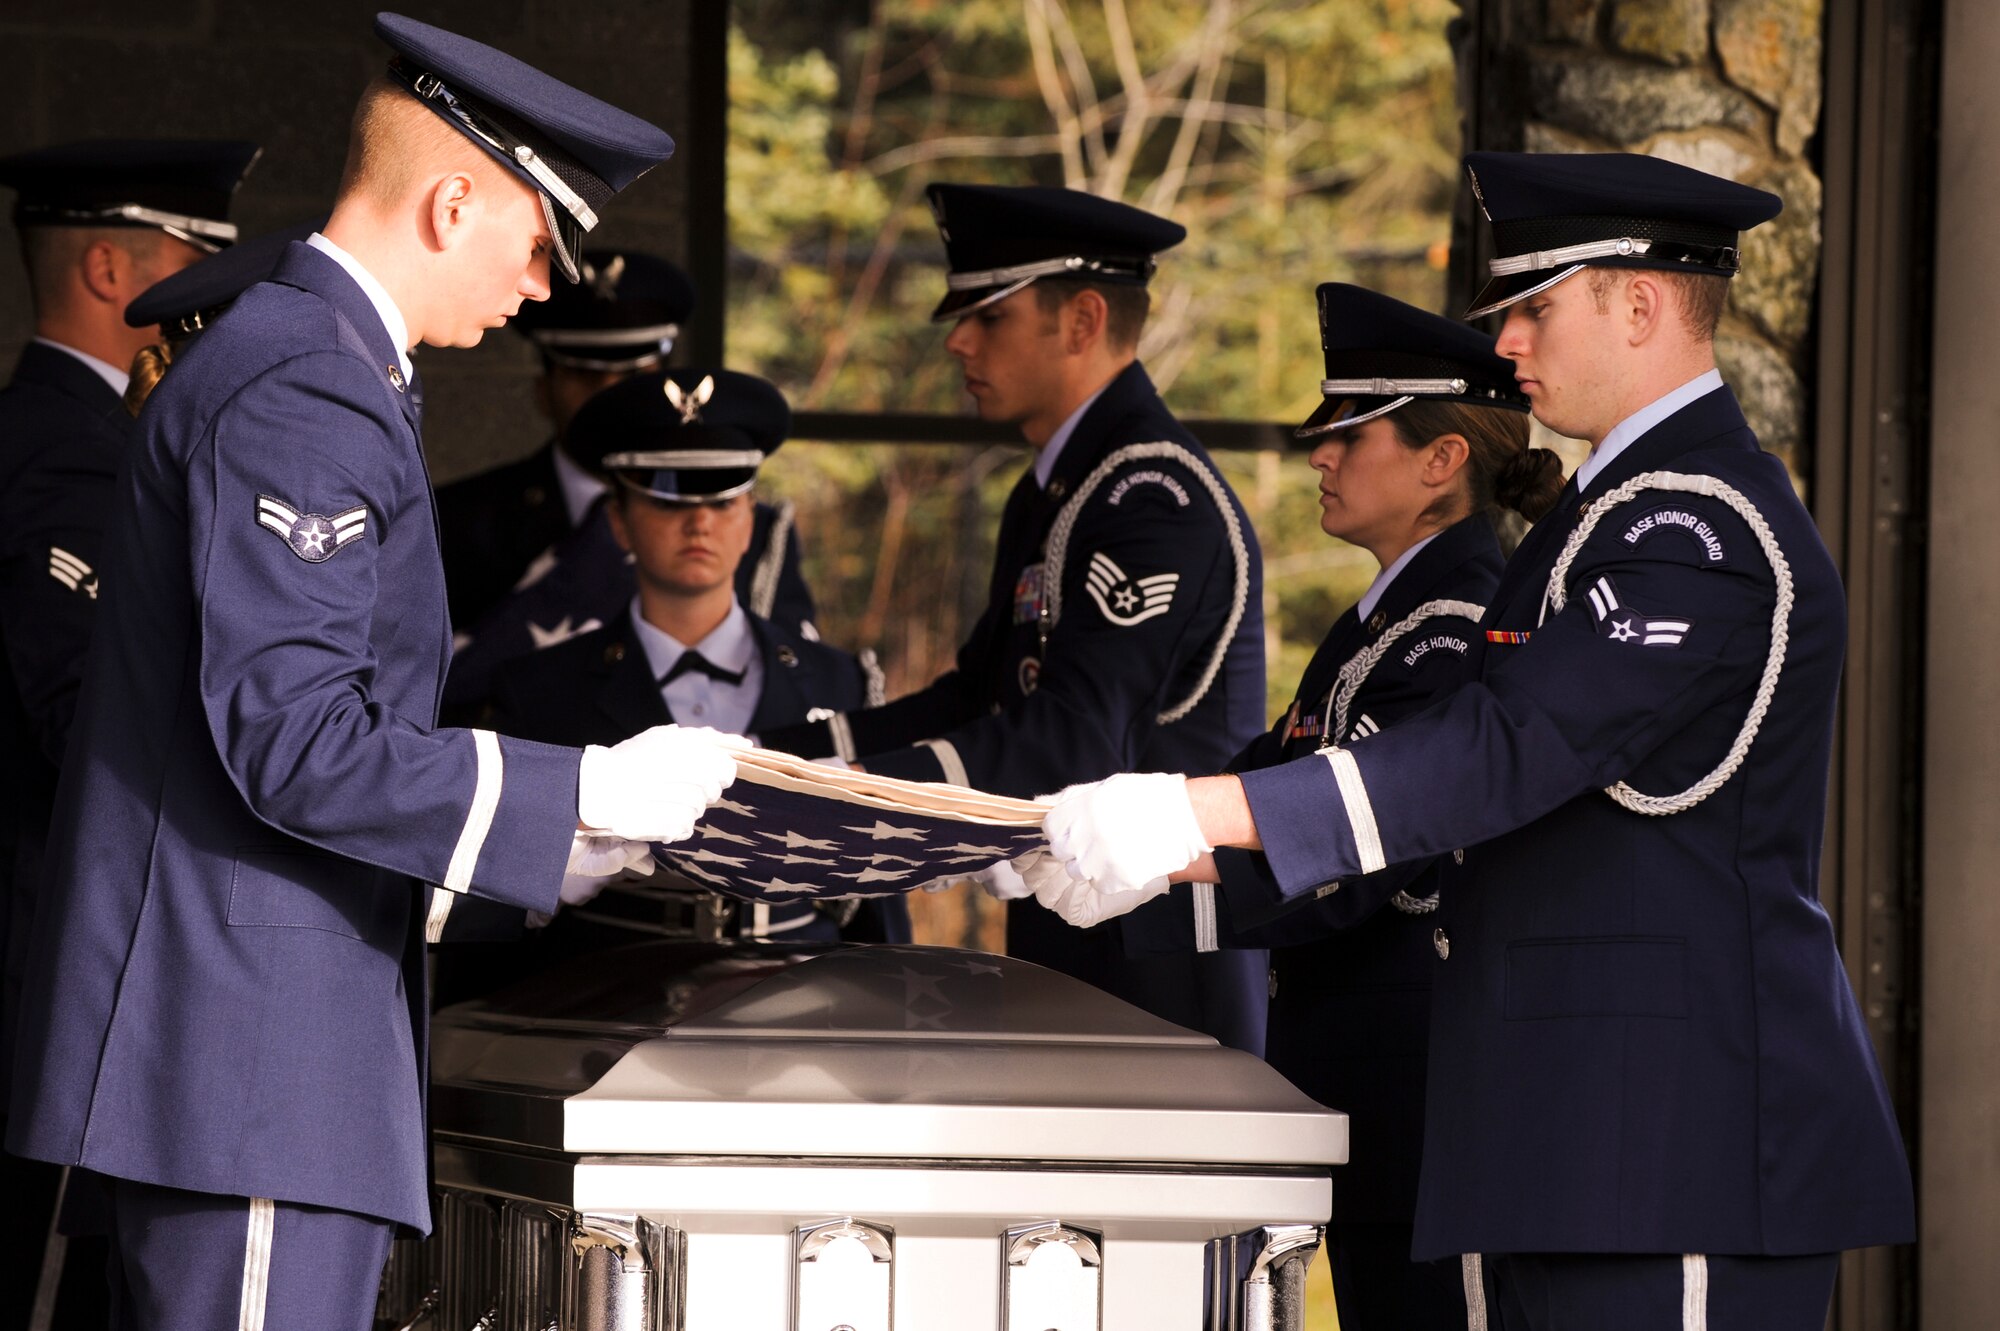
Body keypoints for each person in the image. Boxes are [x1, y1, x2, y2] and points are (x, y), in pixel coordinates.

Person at [1038, 152, 1915, 1330]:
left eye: (1534, 306)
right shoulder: (1614, 514)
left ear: (1641, 303)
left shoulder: (1695, 523)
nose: (1505, 343)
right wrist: (1165, 855)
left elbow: (1506, 743)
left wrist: (1188, 816)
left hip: (1672, 1144)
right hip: (1576, 1139)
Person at [5, 17, 747, 1329]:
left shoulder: (318, 366)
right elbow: (293, 738)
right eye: (537, 242)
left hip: (256, 1055)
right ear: (453, 200)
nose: (540, 288)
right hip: (253, 1064)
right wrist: (578, 794)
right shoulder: (305, 383)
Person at [1125, 283, 1557, 1328]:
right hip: (1362, 1075)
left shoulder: (1448, 631)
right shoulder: (1388, 619)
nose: (1319, 454)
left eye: (1348, 433)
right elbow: (1266, 769)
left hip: (1423, 1089)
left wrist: (1137, 871)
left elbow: (1348, 864)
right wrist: (1116, 821)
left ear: (1439, 460)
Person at [760, 183, 1270, 1054]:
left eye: (988, 315)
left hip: (1159, 976)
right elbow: (980, 700)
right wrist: (780, 762)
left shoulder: (1154, 496)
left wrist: (841, 802)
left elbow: (1071, 742)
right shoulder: (1060, 486)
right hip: (1075, 950)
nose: (957, 338)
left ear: (1080, 322)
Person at [0, 136, 258, 1331]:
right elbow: (85, 731)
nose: (208, 304)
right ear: (112, 270)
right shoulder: (68, 456)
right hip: (50, 966)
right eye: (192, 268)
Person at [436, 368, 905, 1006]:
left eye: (722, 502)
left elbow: (879, 903)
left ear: (751, 522)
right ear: (621, 524)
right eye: (668, 501)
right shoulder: (540, 689)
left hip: (803, 1010)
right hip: (600, 1005)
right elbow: (492, 900)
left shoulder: (839, 679)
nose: (699, 525)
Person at [436, 247, 820, 715]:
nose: (610, 394)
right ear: (543, 387)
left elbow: (796, 686)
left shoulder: (751, 526)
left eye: (633, 374)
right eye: (584, 374)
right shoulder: (457, 520)